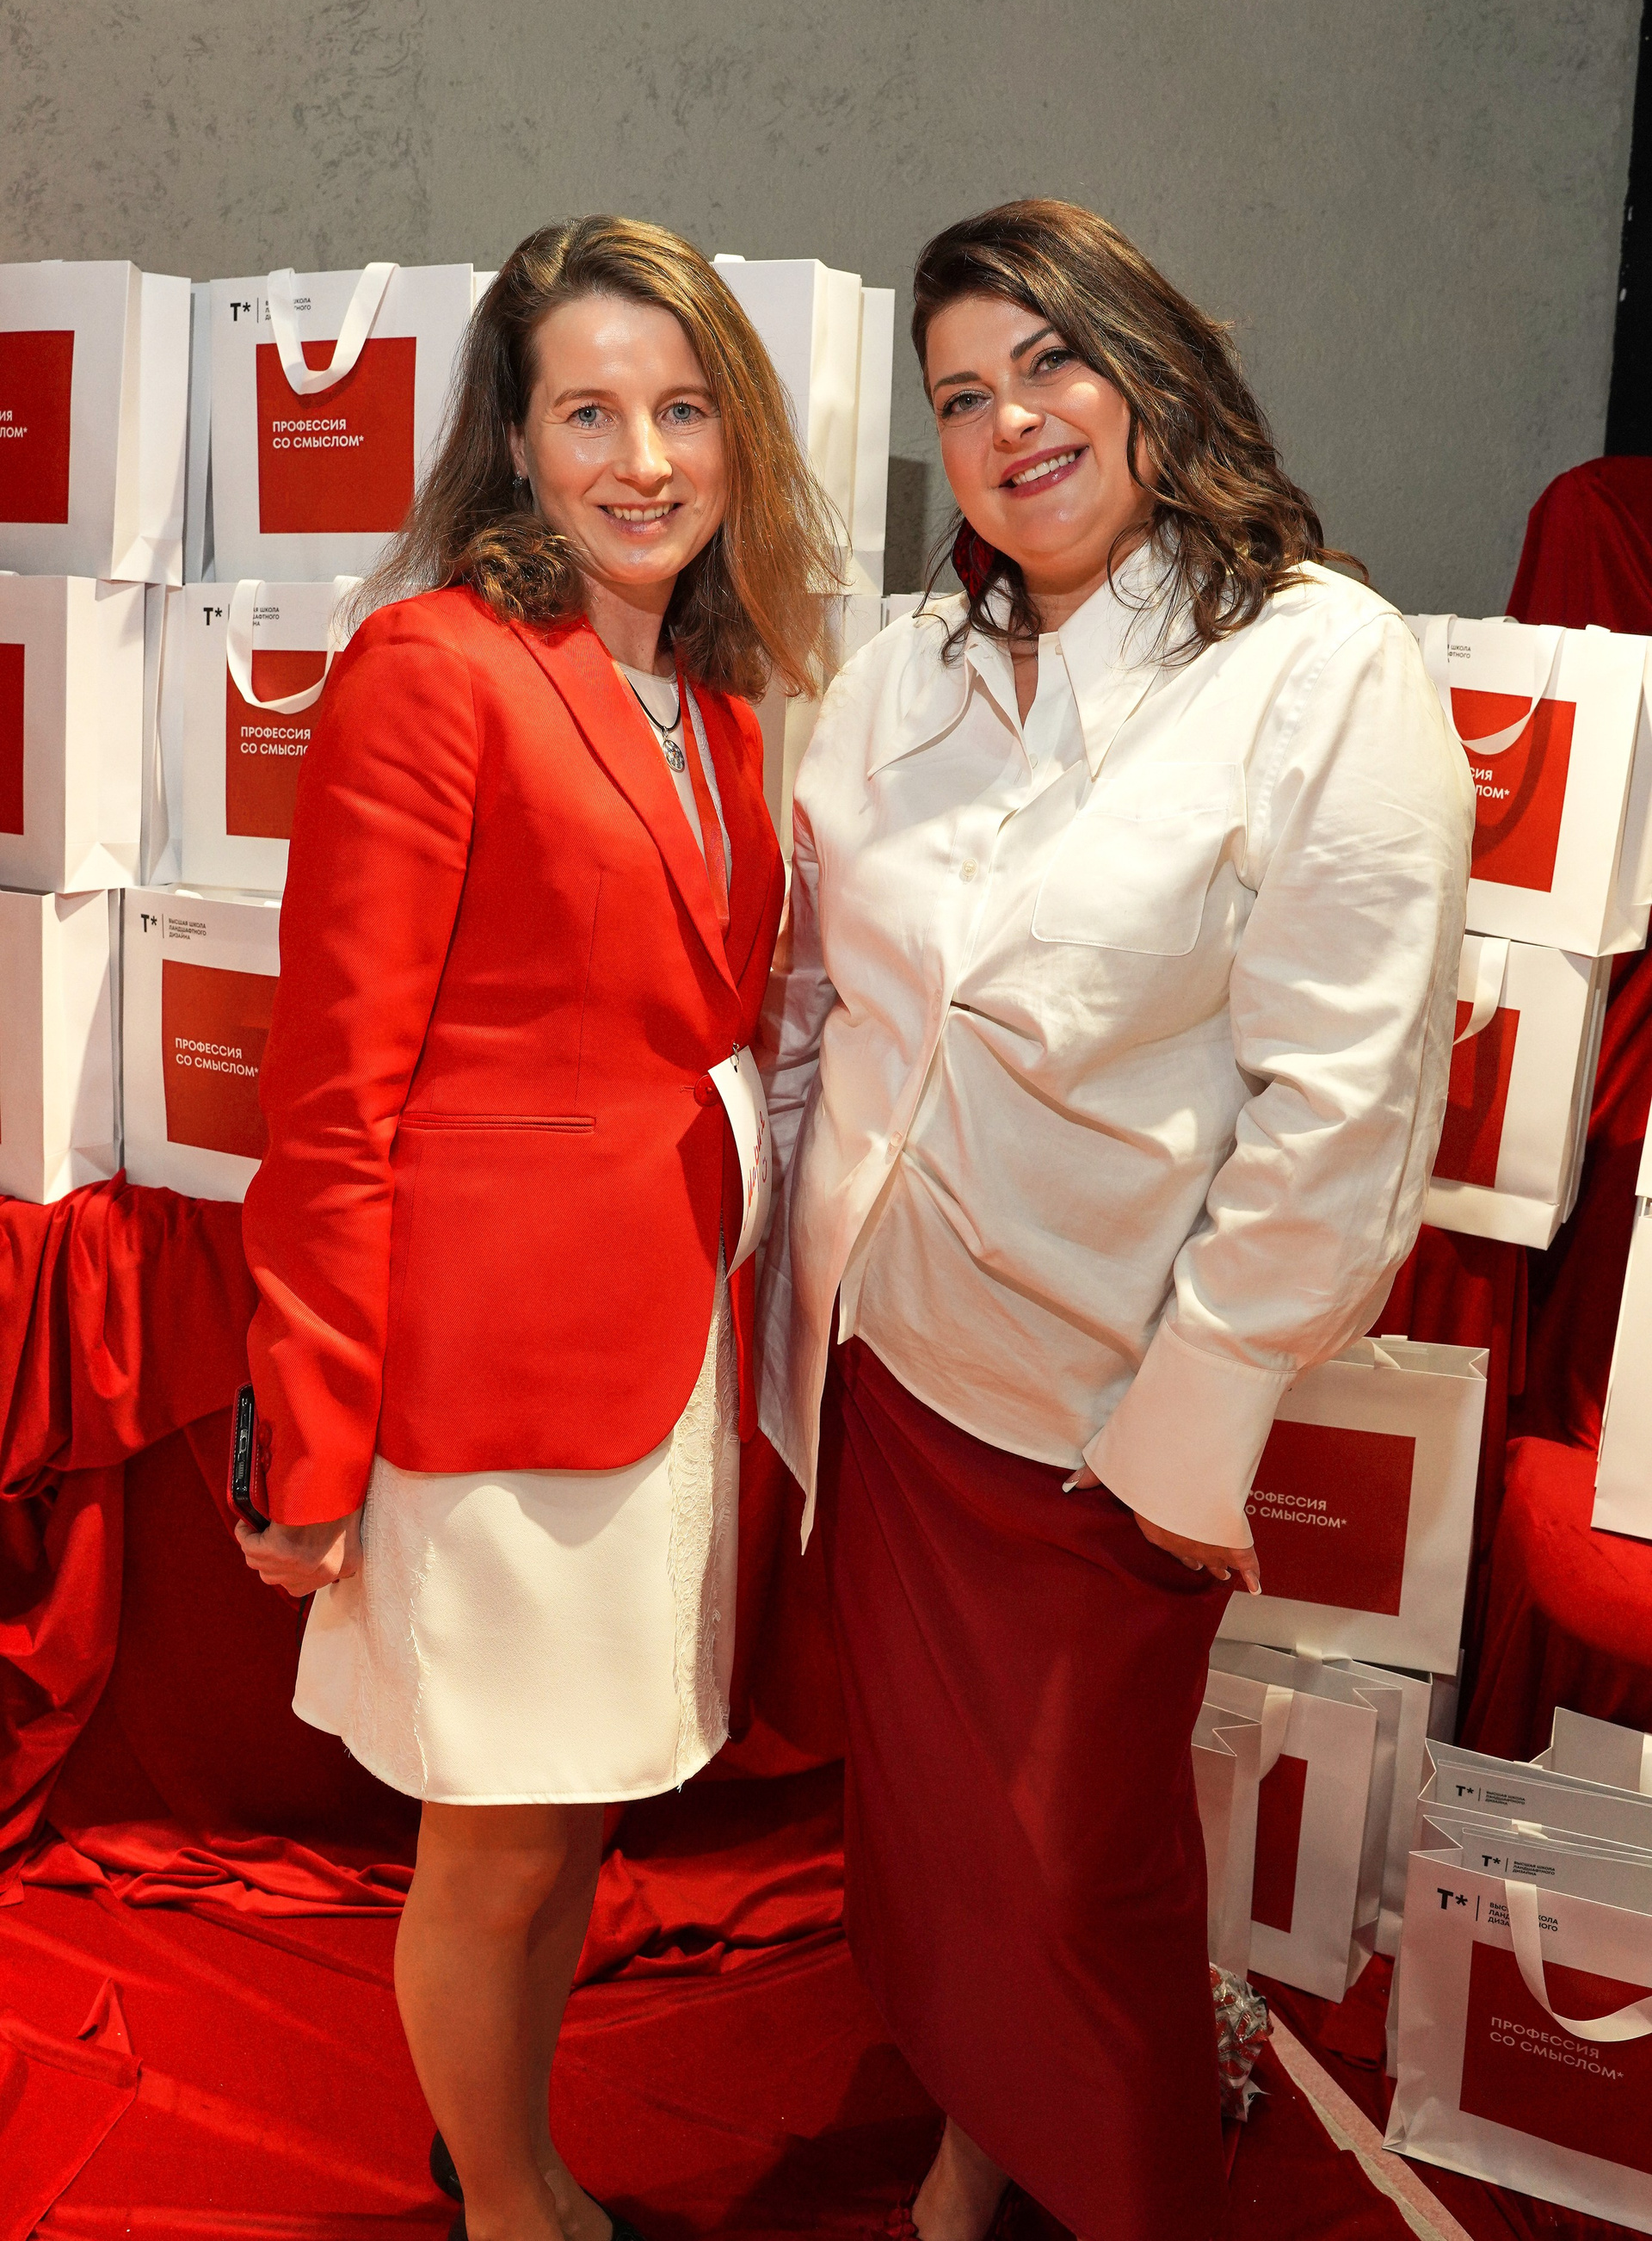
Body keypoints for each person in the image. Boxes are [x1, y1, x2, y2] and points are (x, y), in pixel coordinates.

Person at [756, 198, 1473, 2241]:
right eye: (963, 393)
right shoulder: (904, 672)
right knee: (937, 1839)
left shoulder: (1319, 665)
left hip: (1097, 1413)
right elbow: (817, 999)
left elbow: (1347, 1102)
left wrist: (1201, 1413)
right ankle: (973, 2156)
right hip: (887, 1367)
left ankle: (1121, 2184)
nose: (1011, 420)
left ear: (1156, 368)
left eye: (1051, 360)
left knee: (1078, 1873)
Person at [235, 216, 837, 2241]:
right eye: (589, 413)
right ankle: (503, 2204)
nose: (642, 460)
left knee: (579, 1809)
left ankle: (521, 2160)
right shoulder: (435, 667)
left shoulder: (718, 701)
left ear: (737, 436)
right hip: (483, 1386)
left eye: (682, 411)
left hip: (662, 1354)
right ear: (514, 437)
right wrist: (311, 1441)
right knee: (492, 1838)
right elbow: (333, 1093)